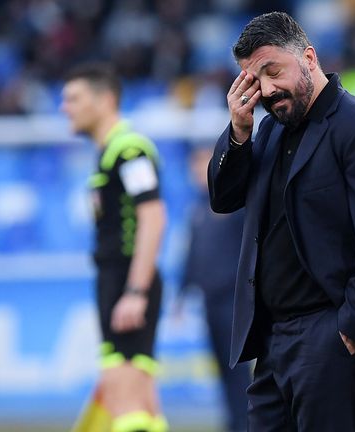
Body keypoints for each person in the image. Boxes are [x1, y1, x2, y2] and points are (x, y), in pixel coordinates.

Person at [207, 12, 355, 431]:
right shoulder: (267, 132)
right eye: (253, 79)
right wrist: (238, 131)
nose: (266, 89)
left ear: (309, 57)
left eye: (273, 71)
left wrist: (354, 327)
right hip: (274, 337)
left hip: (330, 334)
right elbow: (223, 197)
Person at [61, 63, 168, 432]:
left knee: (126, 405)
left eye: (74, 98)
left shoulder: (129, 150)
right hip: (119, 282)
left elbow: (153, 217)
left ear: (105, 100)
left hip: (127, 282)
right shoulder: (109, 154)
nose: (65, 107)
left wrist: (135, 291)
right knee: (142, 404)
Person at [181, 146, 250, 432]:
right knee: (222, 368)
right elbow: (193, 254)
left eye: (202, 167)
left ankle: (246, 423)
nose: (198, 174)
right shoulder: (198, 208)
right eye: (195, 168)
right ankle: (234, 422)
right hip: (210, 301)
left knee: (238, 371)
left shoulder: (233, 204)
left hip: (232, 301)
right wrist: (183, 290)